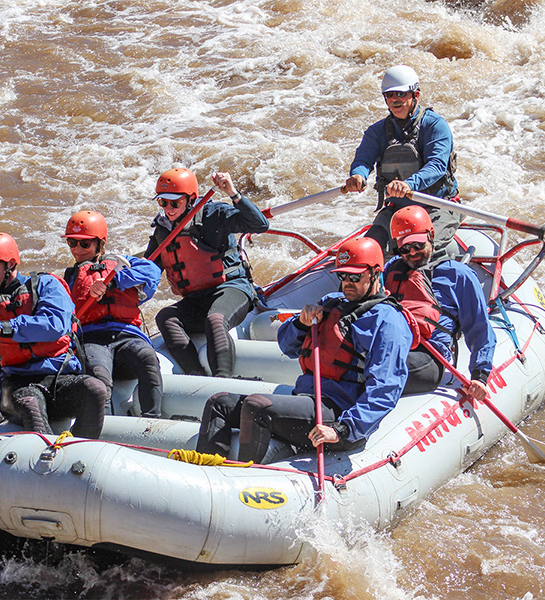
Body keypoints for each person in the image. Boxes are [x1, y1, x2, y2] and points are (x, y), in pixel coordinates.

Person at [196, 237, 412, 463]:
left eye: (355, 276)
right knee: (219, 403)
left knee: (256, 407)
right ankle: (207, 473)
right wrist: (301, 323)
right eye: (342, 275)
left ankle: (243, 481)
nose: (347, 282)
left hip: (338, 417)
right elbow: (288, 347)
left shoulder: (388, 321)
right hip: (308, 401)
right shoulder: (331, 303)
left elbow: (385, 389)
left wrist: (342, 430)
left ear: (376, 273)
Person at [0, 232, 108, 452]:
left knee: (95, 389)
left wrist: (6, 328)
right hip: (18, 387)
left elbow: (55, 324)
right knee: (30, 404)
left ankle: (80, 454)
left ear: (9, 264)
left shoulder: (47, 285)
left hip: (57, 380)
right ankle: (47, 465)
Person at [146, 169, 269, 378]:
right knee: (166, 317)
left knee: (215, 319)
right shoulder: (163, 229)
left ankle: (223, 379)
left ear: (191, 198)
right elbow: (149, 268)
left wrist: (233, 193)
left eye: (174, 203)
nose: (168, 208)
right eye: (163, 202)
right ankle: (196, 376)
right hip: (196, 299)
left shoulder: (214, 214)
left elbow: (260, 224)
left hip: (231, 289)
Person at [345, 65, 461, 259]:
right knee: (366, 254)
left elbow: (437, 166)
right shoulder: (376, 131)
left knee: (418, 253)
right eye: (389, 95)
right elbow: (363, 159)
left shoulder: (434, 125)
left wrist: (408, 184)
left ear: (415, 95)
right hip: (396, 210)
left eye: (400, 93)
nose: (394, 100)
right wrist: (357, 175)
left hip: (437, 207)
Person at [383, 205, 495, 401]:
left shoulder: (457, 274)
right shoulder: (391, 269)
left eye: (417, 245)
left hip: (428, 358)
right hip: (389, 347)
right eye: (405, 247)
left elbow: (479, 328)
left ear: (431, 235)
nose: (412, 252)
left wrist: (480, 375)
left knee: (372, 369)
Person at [61, 210, 164, 417]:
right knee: (99, 377)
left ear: (101, 243)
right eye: (72, 243)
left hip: (127, 336)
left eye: (85, 244)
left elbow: (152, 272)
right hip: (92, 339)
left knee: (147, 359)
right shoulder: (69, 278)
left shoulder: (121, 263)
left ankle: (152, 421)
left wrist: (114, 282)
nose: (78, 250)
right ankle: (106, 431)